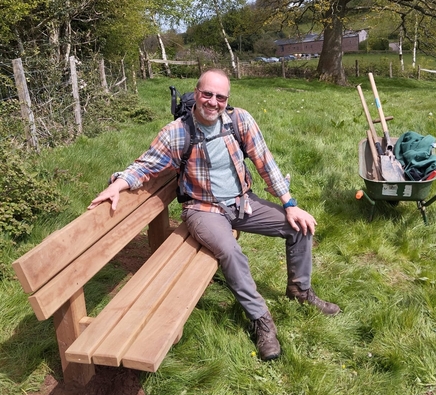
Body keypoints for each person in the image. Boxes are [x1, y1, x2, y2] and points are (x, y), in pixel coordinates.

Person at [88, 69, 340, 361]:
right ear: (196, 93)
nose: (213, 102)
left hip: (242, 203)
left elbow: (265, 161)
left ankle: (300, 291)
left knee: (299, 227)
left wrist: (289, 203)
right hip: (203, 210)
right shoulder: (177, 132)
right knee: (231, 253)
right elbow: (146, 165)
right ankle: (262, 321)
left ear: (227, 100)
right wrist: (118, 184)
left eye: (220, 97)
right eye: (207, 94)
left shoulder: (239, 121)